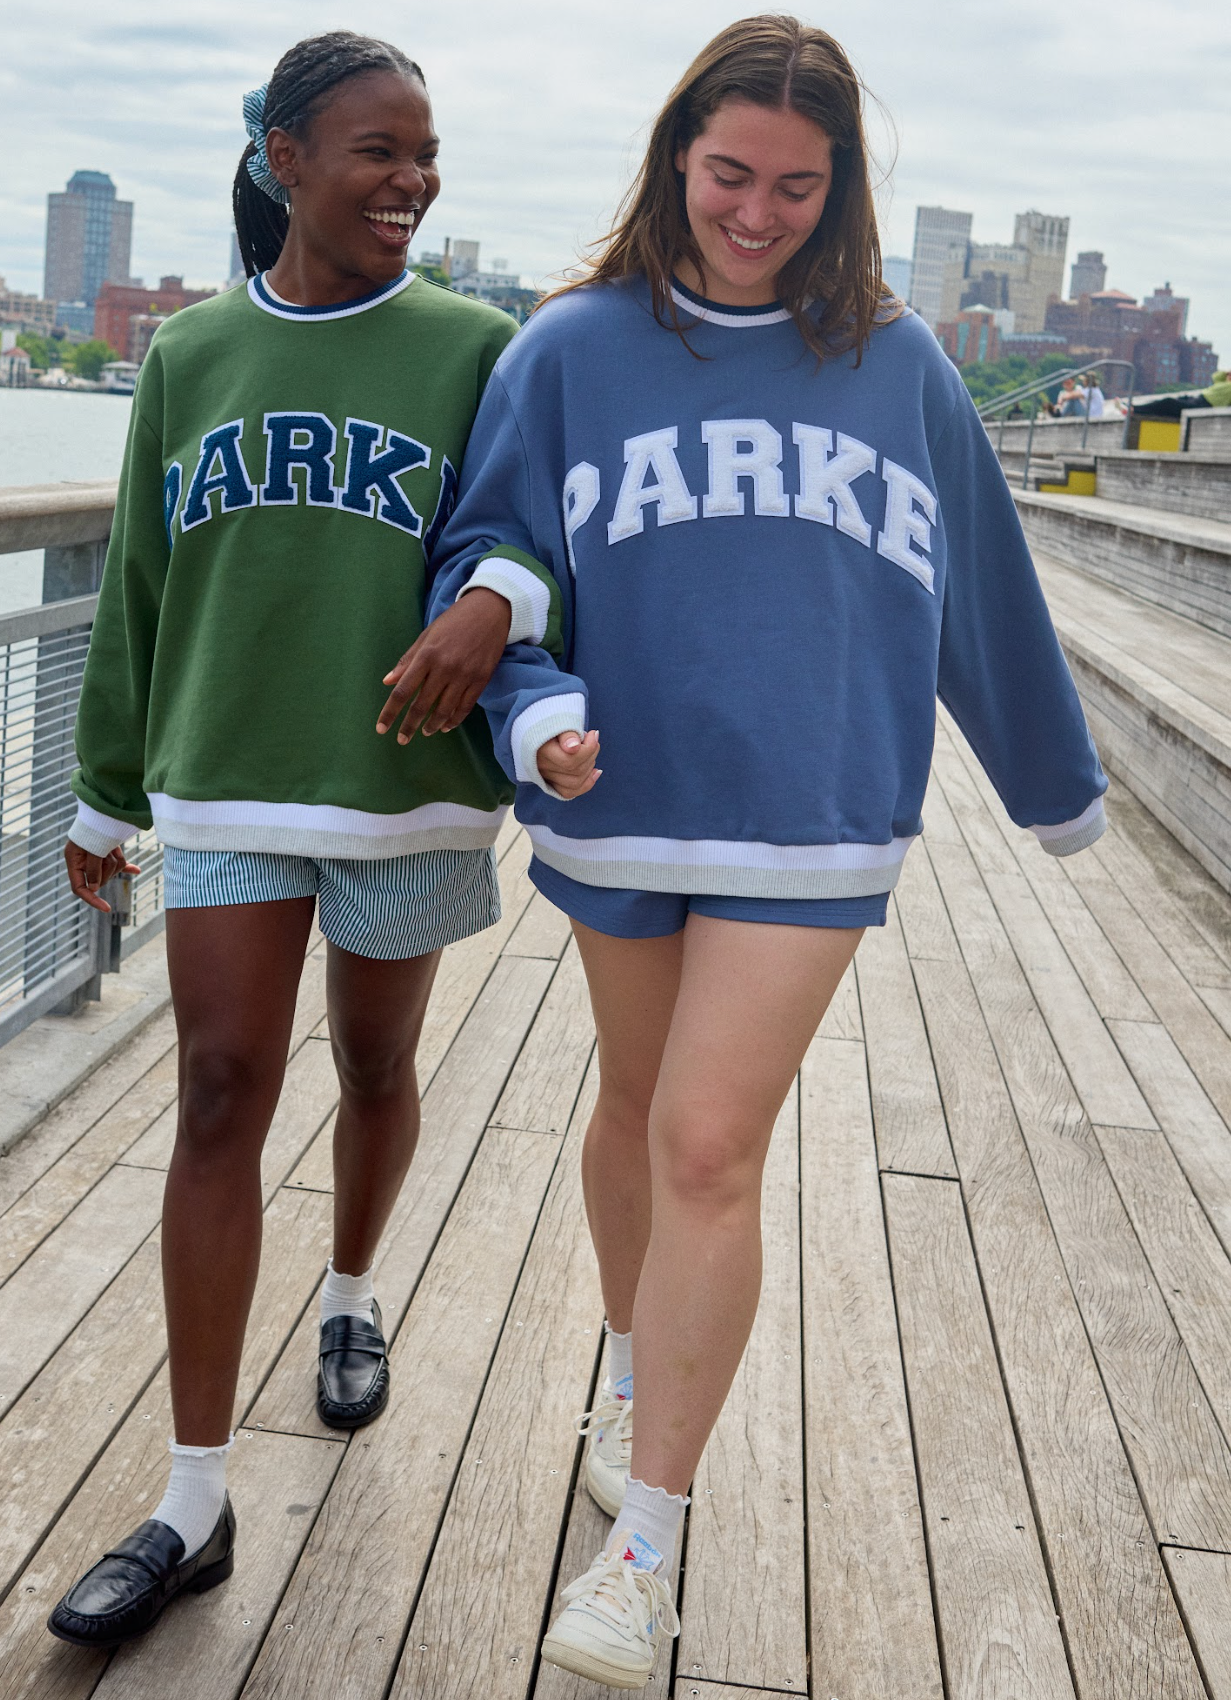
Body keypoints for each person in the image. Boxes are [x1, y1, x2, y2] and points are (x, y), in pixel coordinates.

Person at [397, 14, 1109, 1689]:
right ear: (675, 160)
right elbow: (490, 557)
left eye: (799, 183)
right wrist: (528, 715)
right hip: (621, 786)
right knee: (635, 1116)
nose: (758, 211)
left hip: (815, 808)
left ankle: (644, 1543)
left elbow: (983, 590)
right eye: (730, 173)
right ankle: (634, 1362)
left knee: (710, 1146)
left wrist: (1051, 782)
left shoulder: (900, 362)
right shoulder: (565, 348)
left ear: (842, 185)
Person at [47, 30, 518, 1648]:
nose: (413, 180)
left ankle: (352, 1295)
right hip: (227, 776)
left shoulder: (473, 345)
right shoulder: (186, 355)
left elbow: (533, 527)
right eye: (378, 150)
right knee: (218, 1088)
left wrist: (491, 598)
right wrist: (107, 793)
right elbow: (139, 588)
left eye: (425, 152)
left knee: (375, 1070)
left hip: (402, 784)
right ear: (284, 160)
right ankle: (192, 1500)